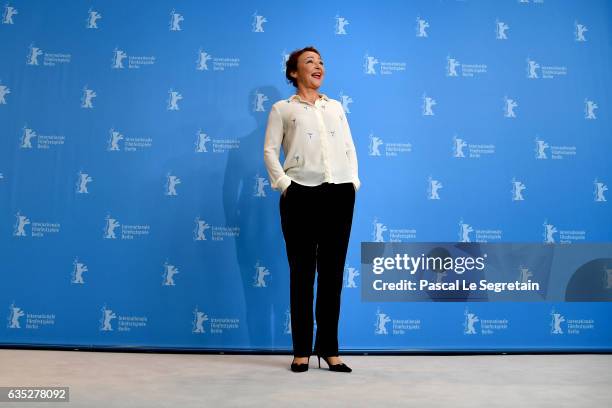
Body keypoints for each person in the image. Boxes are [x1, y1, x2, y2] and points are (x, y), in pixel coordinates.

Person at [263, 46, 361, 373]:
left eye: (321, 62)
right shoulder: (282, 109)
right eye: (310, 62)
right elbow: (269, 151)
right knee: (302, 274)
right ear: (294, 73)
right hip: (300, 195)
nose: (318, 66)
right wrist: (284, 185)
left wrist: (353, 182)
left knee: (332, 275)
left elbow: (349, 147)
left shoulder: (335, 107)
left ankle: (330, 350)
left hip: (339, 193)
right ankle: (302, 350)